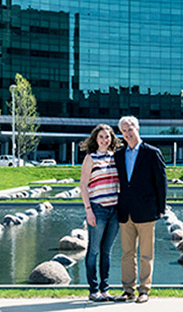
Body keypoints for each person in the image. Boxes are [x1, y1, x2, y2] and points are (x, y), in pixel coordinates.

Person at [113, 116, 167, 304]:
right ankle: (128, 290)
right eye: (124, 130)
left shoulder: (152, 153)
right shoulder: (118, 155)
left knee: (146, 254)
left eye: (130, 129)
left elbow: (161, 183)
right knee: (127, 254)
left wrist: (161, 208)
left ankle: (144, 290)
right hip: (125, 212)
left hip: (146, 212)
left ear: (138, 128)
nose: (127, 133)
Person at [79, 124, 122, 302]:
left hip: (115, 210)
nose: (105, 140)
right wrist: (89, 210)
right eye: (101, 137)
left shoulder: (115, 157)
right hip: (98, 209)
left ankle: (105, 290)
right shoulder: (91, 158)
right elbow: (83, 185)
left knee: (107, 251)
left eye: (108, 137)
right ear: (95, 139)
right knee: (94, 250)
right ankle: (93, 290)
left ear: (112, 139)